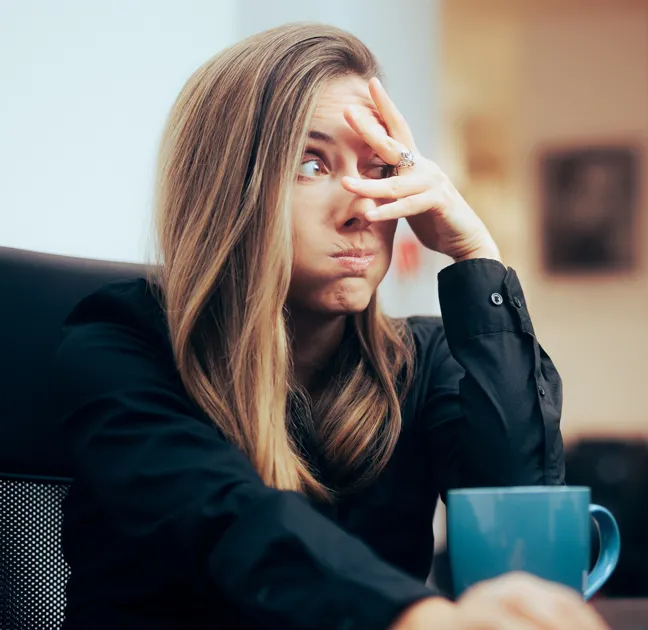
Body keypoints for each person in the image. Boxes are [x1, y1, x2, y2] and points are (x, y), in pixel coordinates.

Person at [50, 23, 608, 630]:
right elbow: (228, 518)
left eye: (380, 169)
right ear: (226, 188)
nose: (364, 206)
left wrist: (476, 257)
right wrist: (416, 617)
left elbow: (518, 521)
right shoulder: (119, 343)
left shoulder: (421, 362)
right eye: (312, 164)